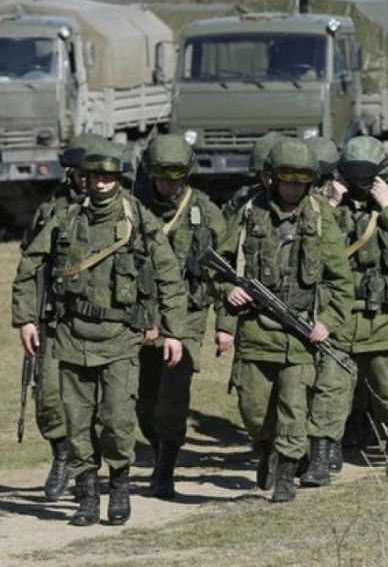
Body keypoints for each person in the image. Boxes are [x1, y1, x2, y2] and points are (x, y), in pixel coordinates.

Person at [13, 139, 187, 526]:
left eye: (109, 177)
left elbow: (169, 276)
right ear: (85, 178)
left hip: (121, 338)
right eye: (96, 176)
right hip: (72, 338)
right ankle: (88, 496)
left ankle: (119, 485)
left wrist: (174, 332)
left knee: (117, 421)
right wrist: (25, 319)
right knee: (77, 423)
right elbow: (29, 266)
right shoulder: (67, 217)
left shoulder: (138, 219)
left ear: (118, 179)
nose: (103, 183)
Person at [214, 137, 354, 503]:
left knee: (294, 408)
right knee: (253, 409)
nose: (293, 188)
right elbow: (219, 265)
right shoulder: (249, 213)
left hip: (299, 335)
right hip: (256, 330)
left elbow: (341, 282)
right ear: (272, 178)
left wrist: (327, 321)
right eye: (287, 179)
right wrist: (228, 292)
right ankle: (266, 450)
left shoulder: (321, 218)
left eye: (301, 181)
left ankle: (287, 475)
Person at [326, 135, 388, 475]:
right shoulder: (327, 203)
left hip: (385, 316)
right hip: (339, 314)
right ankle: (324, 451)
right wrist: (331, 204)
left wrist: (387, 207)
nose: (359, 184)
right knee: (331, 387)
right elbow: (309, 244)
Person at [134, 134, 226, 498]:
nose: (168, 184)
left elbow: (225, 272)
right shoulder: (135, 207)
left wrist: (225, 325)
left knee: (172, 397)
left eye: (175, 176)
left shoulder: (205, 212)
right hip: (145, 316)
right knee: (144, 401)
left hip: (188, 316)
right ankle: (160, 447)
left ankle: (166, 465)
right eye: (160, 176)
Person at [18, 133, 104, 501]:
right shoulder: (52, 209)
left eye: (91, 173)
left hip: (103, 321)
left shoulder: (122, 209)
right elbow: (30, 265)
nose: (86, 180)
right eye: (79, 174)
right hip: (55, 317)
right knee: (49, 395)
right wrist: (27, 318)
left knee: (98, 401)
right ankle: (61, 455)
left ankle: (89, 469)